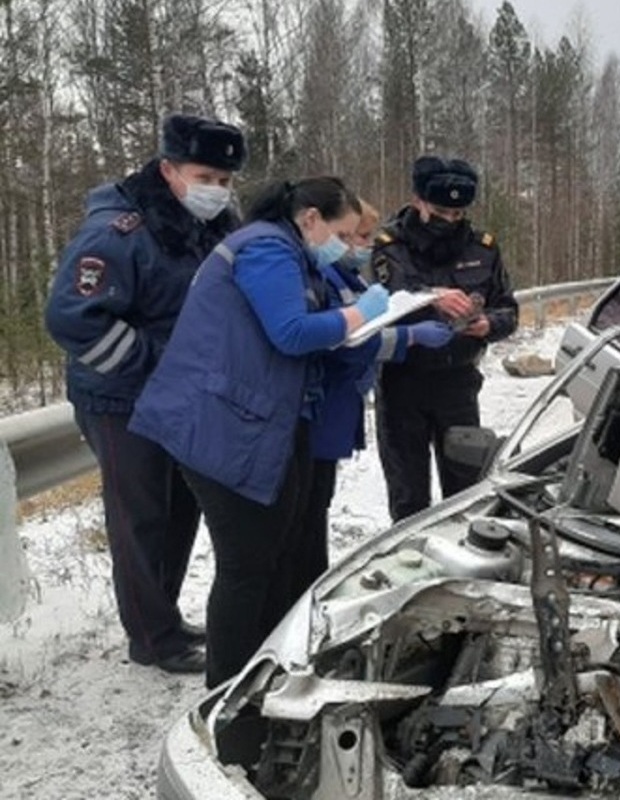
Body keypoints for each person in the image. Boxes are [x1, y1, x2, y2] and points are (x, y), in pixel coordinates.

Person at [128, 177, 388, 688]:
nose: (346, 243)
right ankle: (228, 692)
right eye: (343, 231)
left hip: (250, 419)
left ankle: (266, 673)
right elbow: (290, 332)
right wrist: (361, 312)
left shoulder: (286, 249)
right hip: (220, 424)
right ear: (310, 218)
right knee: (246, 564)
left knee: (272, 553)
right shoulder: (268, 248)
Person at [44, 113, 246, 674]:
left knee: (182, 508)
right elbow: (72, 318)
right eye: (206, 176)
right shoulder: (119, 231)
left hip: (182, 397)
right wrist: (156, 365)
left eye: (227, 181)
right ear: (169, 169)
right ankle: (151, 638)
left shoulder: (213, 225)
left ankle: (164, 615)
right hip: (119, 398)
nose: (217, 190)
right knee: (141, 517)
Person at [295, 202, 454, 591]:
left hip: (339, 405)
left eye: (364, 236)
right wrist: (409, 336)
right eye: (354, 237)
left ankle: (310, 584)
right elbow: (346, 342)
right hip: (322, 405)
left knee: (317, 506)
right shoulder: (323, 273)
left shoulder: (347, 274)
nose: (363, 246)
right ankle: (303, 593)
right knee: (305, 515)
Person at [372, 156, 518, 522]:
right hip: (402, 382)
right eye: (440, 211)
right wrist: (431, 296)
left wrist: (489, 324)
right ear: (418, 201)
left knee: (466, 492)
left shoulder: (482, 248)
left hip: (458, 383)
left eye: (457, 213)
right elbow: (379, 304)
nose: (449, 220)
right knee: (408, 497)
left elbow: (509, 310)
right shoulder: (389, 245)